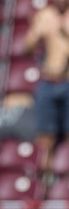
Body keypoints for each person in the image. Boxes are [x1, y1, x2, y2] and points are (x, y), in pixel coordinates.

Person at [23, 0, 69, 174]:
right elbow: (26, 49)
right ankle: (43, 182)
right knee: (45, 137)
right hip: (49, 82)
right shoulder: (44, 15)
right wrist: (37, 34)